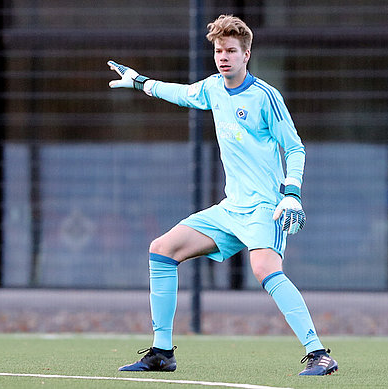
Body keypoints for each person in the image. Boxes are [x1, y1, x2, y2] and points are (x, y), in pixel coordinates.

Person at [107, 14, 338, 376]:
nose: (223, 56)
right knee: (161, 249)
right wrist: (139, 82)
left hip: (265, 207)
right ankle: (162, 353)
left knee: (263, 268)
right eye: (218, 50)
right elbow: (182, 94)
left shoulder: (266, 97)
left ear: (247, 55)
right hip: (230, 210)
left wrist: (291, 193)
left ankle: (319, 353)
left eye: (231, 50)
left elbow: (295, 148)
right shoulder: (214, 88)